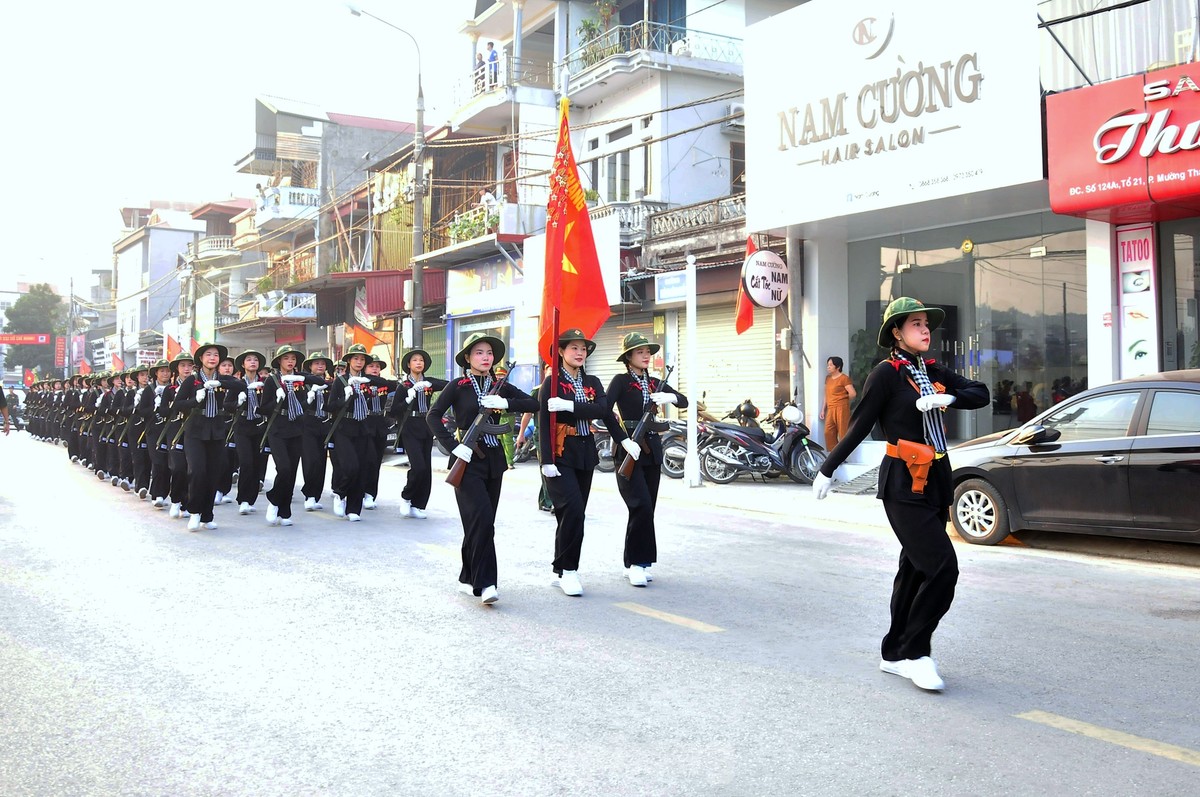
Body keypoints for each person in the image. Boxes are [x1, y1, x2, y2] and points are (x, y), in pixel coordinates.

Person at [813, 297, 989, 693]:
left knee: (913, 570)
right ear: (896, 332)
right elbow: (859, 425)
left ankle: (893, 653)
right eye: (915, 324)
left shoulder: (932, 369)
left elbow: (981, 393)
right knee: (943, 568)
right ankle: (916, 652)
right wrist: (828, 469)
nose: (925, 330)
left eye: (927, 324)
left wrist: (951, 398)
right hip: (903, 482)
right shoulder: (886, 374)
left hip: (936, 477)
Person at [427, 333, 537, 605]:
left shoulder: (501, 386)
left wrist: (506, 403)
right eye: (478, 353)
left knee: (481, 524)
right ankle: (486, 583)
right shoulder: (458, 385)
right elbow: (433, 415)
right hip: (466, 457)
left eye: (489, 352)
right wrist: (452, 446)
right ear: (467, 358)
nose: (485, 357)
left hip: (493, 460)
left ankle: (468, 576)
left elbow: (533, 403)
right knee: (481, 521)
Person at [538, 328, 632, 597]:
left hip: (585, 452)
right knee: (574, 511)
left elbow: (602, 410)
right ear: (561, 352)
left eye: (583, 349)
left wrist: (569, 407)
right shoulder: (552, 383)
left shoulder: (592, 381)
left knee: (572, 514)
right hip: (560, 452)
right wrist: (546, 460)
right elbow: (543, 421)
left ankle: (559, 568)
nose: (579, 353)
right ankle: (569, 571)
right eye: (573, 348)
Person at [607, 332, 688, 587]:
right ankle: (636, 565)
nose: (646, 356)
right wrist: (623, 439)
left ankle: (636, 561)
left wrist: (671, 397)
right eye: (640, 352)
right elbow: (604, 411)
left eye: (648, 352)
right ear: (628, 357)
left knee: (647, 507)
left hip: (651, 449)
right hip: (630, 448)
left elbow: (684, 400)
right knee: (639, 505)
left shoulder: (655, 383)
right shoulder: (620, 381)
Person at [172, 342, 241, 531]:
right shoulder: (192, 380)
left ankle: (207, 515)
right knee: (197, 471)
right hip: (194, 431)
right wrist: (196, 400)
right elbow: (178, 405)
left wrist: (220, 383)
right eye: (208, 355)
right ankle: (194, 512)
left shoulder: (222, 378)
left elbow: (241, 385)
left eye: (216, 355)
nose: (212, 358)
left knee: (212, 474)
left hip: (216, 432)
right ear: (201, 359)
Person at [258, 345, 313, 526]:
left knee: (292, 472)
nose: (290, 362)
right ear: (279, 361)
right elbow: (263, 408)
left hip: (296, 429)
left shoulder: (299, 381)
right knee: (284, 469)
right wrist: (277, 399)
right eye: (286, 358)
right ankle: (274, 500)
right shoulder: (272, 381)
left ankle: (285, 510)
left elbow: (302, 406)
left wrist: (309, 399)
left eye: (293, 359)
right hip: (277, 429)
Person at [395, 347, 448, 519]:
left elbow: (449, 386)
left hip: (426, 427)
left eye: (421, 360)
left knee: (426, 469)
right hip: (410, 427)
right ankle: (406, 496)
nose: (419, 363)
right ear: (409, 365)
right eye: (415, 360)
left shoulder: (429, 382)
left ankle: (419, 504)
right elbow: (394, 410)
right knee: (418, 466)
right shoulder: (404, 386)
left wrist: (430, 384)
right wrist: (407, 398)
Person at [225, 349, 269, 515]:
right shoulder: (237, 383)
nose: (252, 362)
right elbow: (227, 404)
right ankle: (243, 499)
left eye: (255, 360)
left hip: (259, 425)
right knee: (246, 462)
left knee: (257, 463)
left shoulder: (265, 383)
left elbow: (270, 403)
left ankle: (251, 499)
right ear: (243, 365)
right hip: (242, 425)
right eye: (249, 359)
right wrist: (238, 402)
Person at [299, 351, 335, 511]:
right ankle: (309, 495)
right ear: (310, 366)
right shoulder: (304, 383)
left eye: (323, 363)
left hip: (325, 424)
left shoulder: (330, 384)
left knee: (321, 462)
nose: (320, 366)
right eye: (316, 363)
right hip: (308, 423)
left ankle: (316, 494)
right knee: (310, 460)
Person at [516, 365, 554, 512]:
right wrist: (521, 434)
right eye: (549, 369)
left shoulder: (561, 387)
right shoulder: (538, 390)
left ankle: (544, 499)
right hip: (541, 434)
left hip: (559, 433)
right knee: (545, 466)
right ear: (545, 371)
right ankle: (550, 501)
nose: (552, 371)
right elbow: (527, 413)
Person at [820, 356, 857, 448]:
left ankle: (844, 454)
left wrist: (843, 399)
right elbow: (826, 394)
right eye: (828, 365)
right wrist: (823, 410)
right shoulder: (828, 378)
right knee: (828, 432)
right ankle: (834, 454)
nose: (828, 367)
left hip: (841, 407)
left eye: (831, 365)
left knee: (843, 431)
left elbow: (853, 393)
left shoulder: (844, 378)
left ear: (838, 367)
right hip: (831, 408)